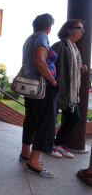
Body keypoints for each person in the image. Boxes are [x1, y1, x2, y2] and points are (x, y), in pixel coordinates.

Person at [18, 13, 59, 178]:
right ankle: (33, 162)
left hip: (30, 89)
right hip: (42, 87)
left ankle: (25, 153)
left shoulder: (29, 38)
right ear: (48, 26)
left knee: (31, 120)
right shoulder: (43, 36)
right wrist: (53, 81)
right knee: (46, 123)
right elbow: (39, 61)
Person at [48, 19, 88, 158]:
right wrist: (54, 82)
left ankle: (58, 143)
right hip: (57, 88)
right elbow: (49, 64)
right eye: (79, 28)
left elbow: (72, 68)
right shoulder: (59, 46)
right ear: (68, 30)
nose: (82, 31)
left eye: (83, 29)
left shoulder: (75, 49)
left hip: (70, 92)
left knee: (75, 117)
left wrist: (80, 68)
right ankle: (47, 145)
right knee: (51, 119)